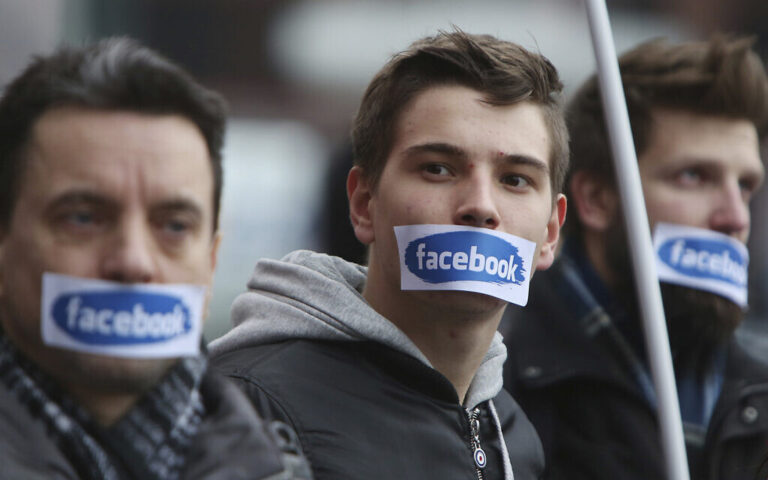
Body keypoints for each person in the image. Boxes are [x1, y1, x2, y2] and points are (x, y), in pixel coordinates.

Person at [210, 30, 568, 480]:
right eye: (437, 168)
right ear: (364, 204)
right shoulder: (249, 409)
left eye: (515, 179)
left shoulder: (514, 434)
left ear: (551, 232)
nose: (480, 205)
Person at [0, 38, 297, 479]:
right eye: (83, 218)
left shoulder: (277, 466)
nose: (134, 261)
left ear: (211, 263)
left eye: (174, 226)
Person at [501, 36, 768, 480]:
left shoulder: (758, 390)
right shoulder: (495, 384)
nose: (734, 217)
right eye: (693, 176)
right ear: (597, 198)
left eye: (744, 184)